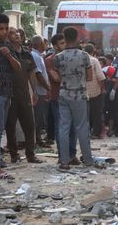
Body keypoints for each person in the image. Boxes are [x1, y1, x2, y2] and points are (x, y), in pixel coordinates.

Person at [54, 27, 95, 170]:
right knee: (82, 127)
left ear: (64, 37)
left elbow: (58, 76)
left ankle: (64, 161)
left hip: (64, 94)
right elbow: (90, 77)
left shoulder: (58, 57)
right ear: (77, 37)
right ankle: (88, 160)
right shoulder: (84, 56)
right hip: (80, 94)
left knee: (63, 127)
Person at [5, 27, 43, 164]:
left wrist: (34, 91)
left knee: (29, 125)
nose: (17, 35)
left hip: (24, 94)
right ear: (8, 37)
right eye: (13, 33)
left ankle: (30, 154)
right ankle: (14, 155)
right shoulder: (6, 52)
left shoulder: (27, 53)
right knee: (10, 126)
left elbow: (31, 73)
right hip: (9, 94)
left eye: (18, 33)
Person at [0, 13, 21, 179]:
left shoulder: (8, 45)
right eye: (0, 29)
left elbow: (18, 68)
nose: (3, 32)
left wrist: (8, 55)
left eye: (6, 28)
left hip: (7, 93)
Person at [45, 34, 79, 165]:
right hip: (58, 97)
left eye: (66, 42)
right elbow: (56, 79)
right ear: (55, 46)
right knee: (62, 127)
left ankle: (72, 154)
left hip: (73, 96)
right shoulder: (50, 60)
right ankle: (63, 155)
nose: (66, 45)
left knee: (73, 128)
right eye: (62, 43)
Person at [31, 35, 51, 146]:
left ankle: (37, 139)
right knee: (37, 116)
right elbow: (38, 74)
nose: (46, 45)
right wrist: (48, 88)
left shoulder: (39, 56)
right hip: (38, 91)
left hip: (41, 90)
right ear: (40, 43)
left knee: (39, 116)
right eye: (44, 42)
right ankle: (36, 140)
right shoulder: (35, 56)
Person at [85, 44, 106, 139]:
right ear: (93, 51)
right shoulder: (94, 60)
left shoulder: (80, 59)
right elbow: (100, 77)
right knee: (97, 113)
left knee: (85, 114)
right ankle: (96, 133)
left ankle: (86, 132)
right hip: (95, 92)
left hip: (83, 92)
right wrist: (103, 89)